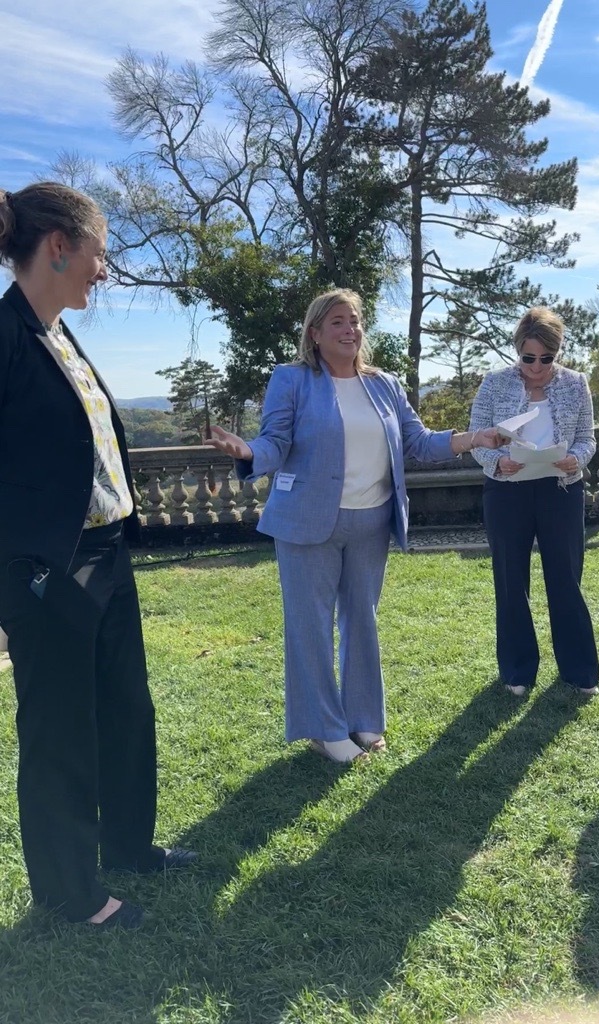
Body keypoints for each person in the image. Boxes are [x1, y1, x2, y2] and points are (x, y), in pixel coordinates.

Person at [0, 183, 195, 929]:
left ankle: (127, 846)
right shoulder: (5, 336)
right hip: (48, 568)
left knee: (125, 709)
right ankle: (69, 892)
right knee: (61, 729)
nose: (103, 270)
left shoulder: (59, 335)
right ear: (58, 245)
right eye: (98, 252)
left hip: (108, 552)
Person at [207, 288, 502, 762]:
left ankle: (364, 720)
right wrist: (247, 453)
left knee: (362, 620)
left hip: (371, 520)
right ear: (316, 333)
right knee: (312, 626)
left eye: (356, 321)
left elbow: (418, 443)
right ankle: (325, 729)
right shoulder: (292, 380)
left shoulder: (384, 384)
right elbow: (275, 441)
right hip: (306, 522)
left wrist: (472, 438)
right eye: (338, 322)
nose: (350, 329)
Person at [469, 306, 599, 698]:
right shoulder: (494, 384)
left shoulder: (576, 383)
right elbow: (477, 436)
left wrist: (576, 458)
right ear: (517, 351)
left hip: (560, 489)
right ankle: (518, 671)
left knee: (566, 580)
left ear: (557, 353)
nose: (537, 366)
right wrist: (498, 461)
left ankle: (579, 672)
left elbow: (588, 438)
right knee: (511, 581)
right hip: (507, 490)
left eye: (547, 357)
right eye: (529, 358)